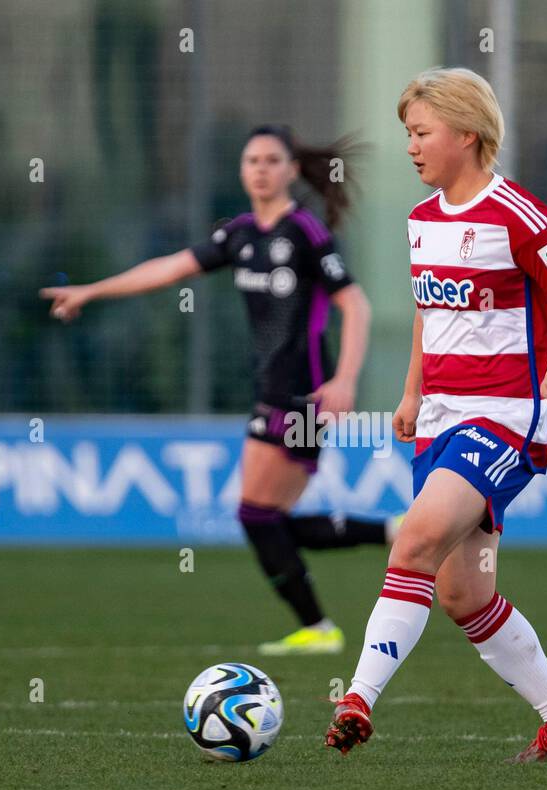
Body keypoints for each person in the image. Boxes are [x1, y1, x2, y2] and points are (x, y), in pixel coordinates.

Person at [325, 68, 547, 762]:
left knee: (414, 540)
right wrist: (413, 393)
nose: (411, 147)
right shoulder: (421, 222)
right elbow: (430, 310)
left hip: (506, 416)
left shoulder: (521, 215)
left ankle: (358, 697)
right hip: (441, 418)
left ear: (466, 134)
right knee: (461, 593)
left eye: (421, 133)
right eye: (408, 134)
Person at [40, 124, 398, 656]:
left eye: (272, 160)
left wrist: (343, 380)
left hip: (303, 393)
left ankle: (322, 626)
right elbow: (168, 269)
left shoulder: (305, 232)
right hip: (271, 389)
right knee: (267, 519)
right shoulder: (239, 235)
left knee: (256, 516)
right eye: (251, 160)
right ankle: (392, 535)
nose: (261, 168)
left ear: (292, 170)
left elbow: (355, 304)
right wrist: (92, 291)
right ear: (241, 171)